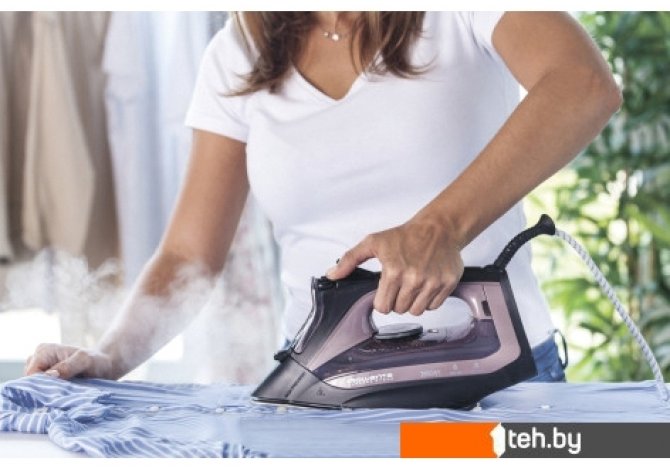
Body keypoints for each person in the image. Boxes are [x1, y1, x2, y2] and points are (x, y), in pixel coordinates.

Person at [24, 11, 621, 383]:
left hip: (499, 387)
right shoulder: (238, 52)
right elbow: (189, 256)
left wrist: (440, 228)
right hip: (327, 393)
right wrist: (110, 358)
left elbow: (584, 84)